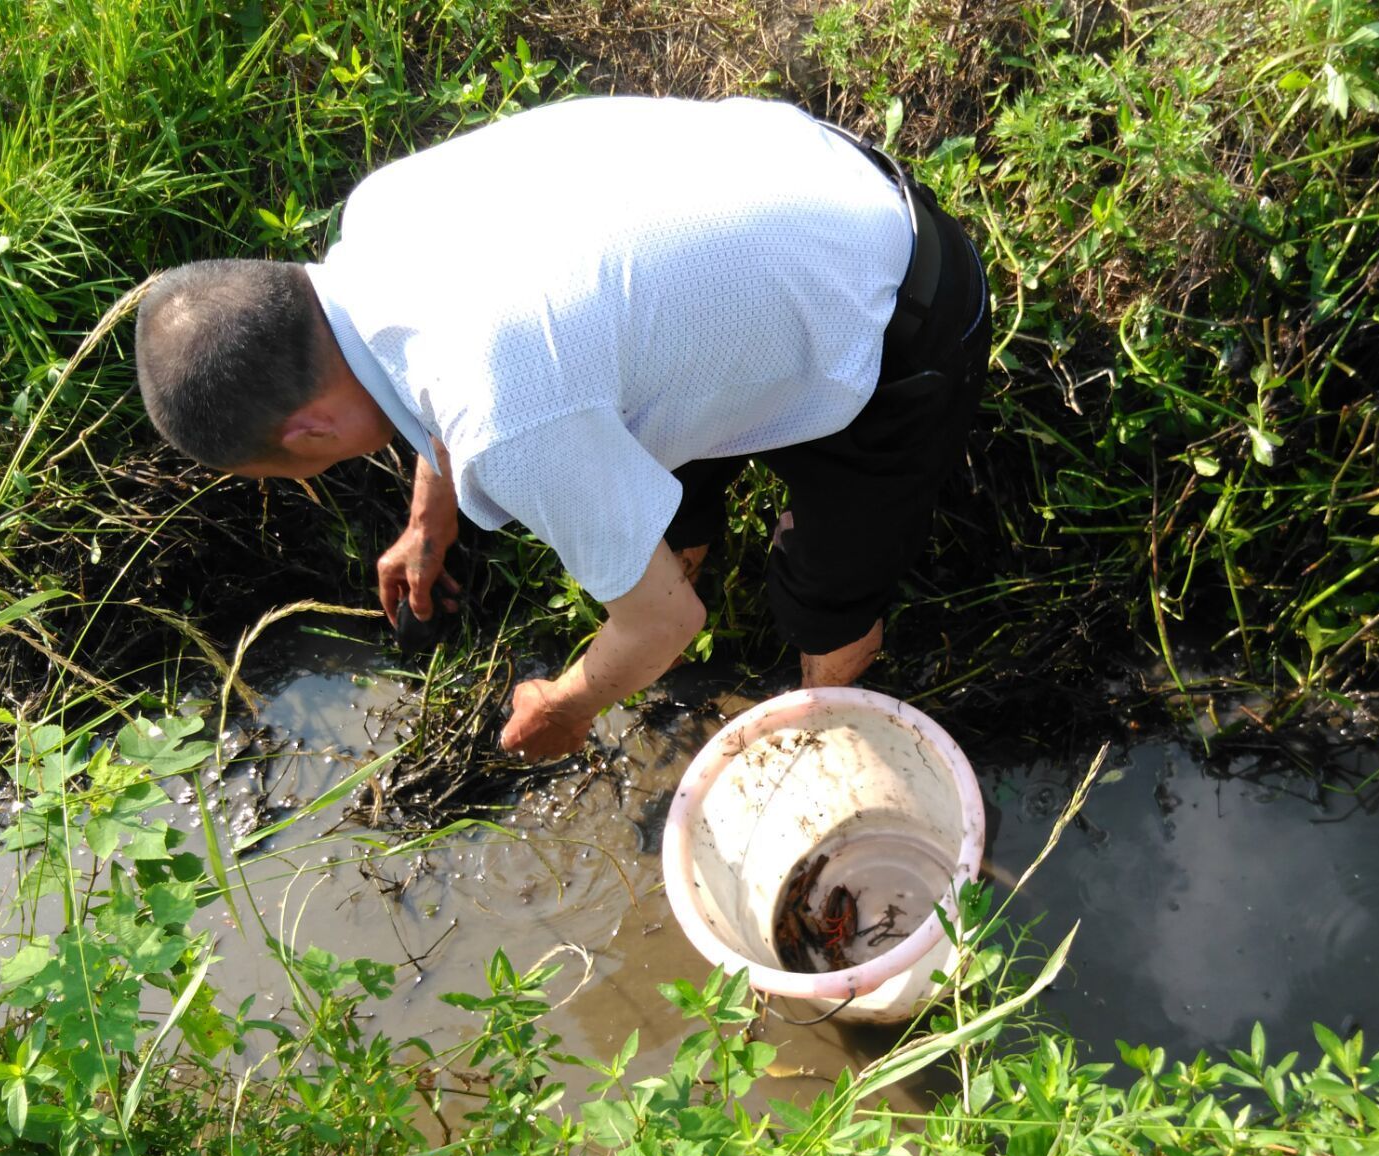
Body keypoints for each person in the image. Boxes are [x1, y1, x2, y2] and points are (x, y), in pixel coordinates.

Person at [135, 95, 989, 759]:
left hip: (896, 307)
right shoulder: (379, 217)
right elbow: (439, 370)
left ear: (309, 434)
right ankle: (678, 563)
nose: (309, 480)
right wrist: (431, 520)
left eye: (283, 473)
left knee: (824, 596)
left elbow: (664, 624)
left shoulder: (506, 423)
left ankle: (821, 747)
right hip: (798, 193)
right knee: (646, 494)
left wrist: (569, 703)